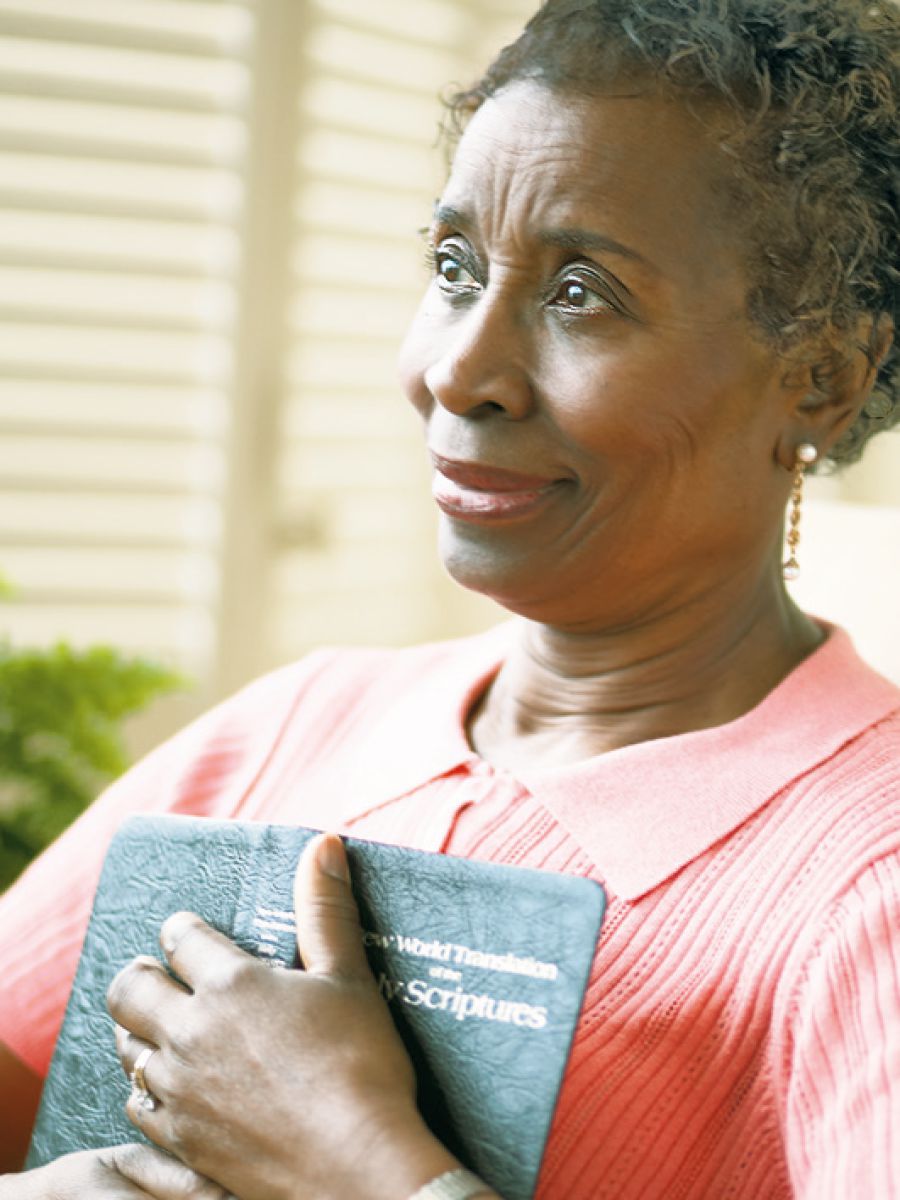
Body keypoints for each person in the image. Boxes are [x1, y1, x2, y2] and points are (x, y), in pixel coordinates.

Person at [0, 0, 898, 1195]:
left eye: (584, 293)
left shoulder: (867, 883)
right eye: (454, 267)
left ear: (821, 377)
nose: (457, 371)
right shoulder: (304, 722)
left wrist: (359, 1164)